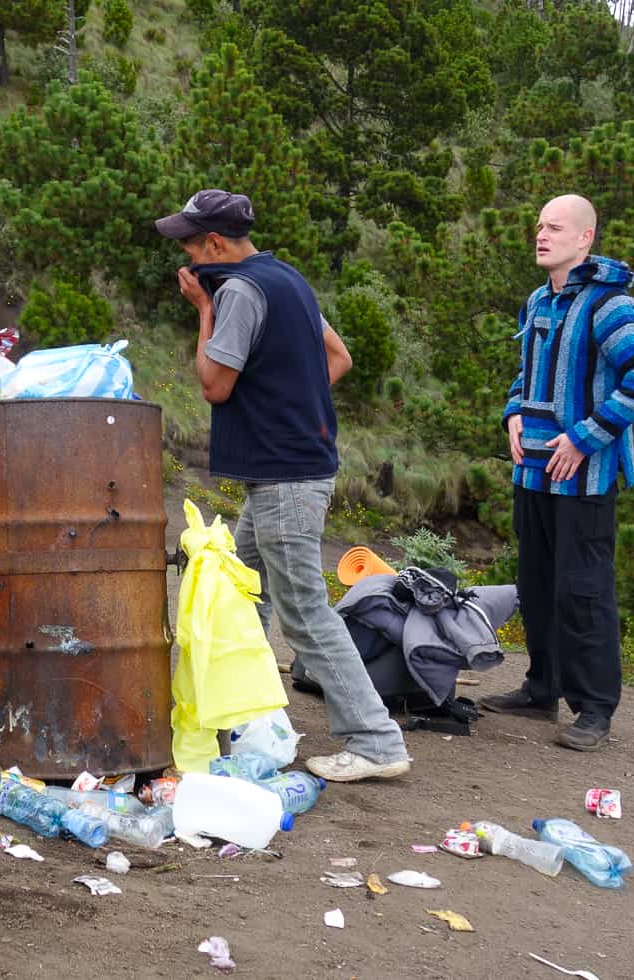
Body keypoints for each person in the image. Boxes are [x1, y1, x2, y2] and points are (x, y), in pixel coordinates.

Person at [157, 189, 411, 782]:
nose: (187, 258)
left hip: (283, 477)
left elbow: (215, 385)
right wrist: (290, 400)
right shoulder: (287, 279)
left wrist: (203, 309)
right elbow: (339, 357)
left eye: (190, 245)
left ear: (215, 245)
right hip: (294, 468)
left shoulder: (239, 291)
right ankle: (249, 719)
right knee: (244, 591)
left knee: (304, 615)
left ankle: (376, 742)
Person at [483, 194, 634, 751]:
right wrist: (513, 413)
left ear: (585, 238)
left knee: (583, 590)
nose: (542, 235)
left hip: (584, 477)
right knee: (537, 585)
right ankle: (542, 690)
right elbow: (525, 374)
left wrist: (586, 437)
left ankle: (594, 710)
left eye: (556, 228)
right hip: (532, 471)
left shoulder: (611, 305)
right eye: (539, 226)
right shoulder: (539, 300)